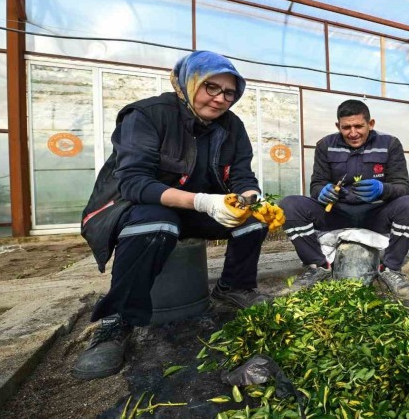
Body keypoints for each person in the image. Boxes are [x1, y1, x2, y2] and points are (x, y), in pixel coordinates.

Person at [74, 51, 283, 380]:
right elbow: (134, 183)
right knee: (157, 223)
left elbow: (243, 176)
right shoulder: (148, 114)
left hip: (195, 206)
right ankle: (116, 321)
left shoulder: (232, 127)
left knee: (254, 220)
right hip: (134, 206)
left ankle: (234, 287)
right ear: (189, 82)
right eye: (211, 87)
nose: (219, 99)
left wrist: (248, 200)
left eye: (229, 93)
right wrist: (204, 202)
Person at [279, 100, 409, 300]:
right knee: (290, 205)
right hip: (336, 213)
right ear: (338, 126)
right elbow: (317, 184)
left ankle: (390, 268)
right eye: (346, 127)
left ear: (371, 123)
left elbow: (403, 186)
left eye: (359, 126)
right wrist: (322, 191)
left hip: (375, 215)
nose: (353, 133)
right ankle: (317, 266)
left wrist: (383, 189)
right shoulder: (325, 145)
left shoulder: (389, 144)